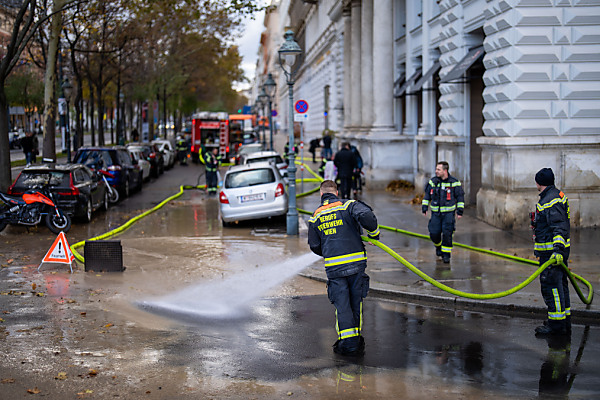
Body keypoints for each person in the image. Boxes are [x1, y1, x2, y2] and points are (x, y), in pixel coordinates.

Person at [308, 180, 380, 356]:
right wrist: (374, 234)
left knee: (342, 305)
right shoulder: (348, 205)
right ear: (336, 192)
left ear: (321, 194)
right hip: (356, 265)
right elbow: (367, 216)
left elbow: (314, 245)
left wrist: (329, 250)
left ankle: (349, 343)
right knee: (356, 301)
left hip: (335, 268)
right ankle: (355, 339)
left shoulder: (315, 216)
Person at [532, 167, 571, 336]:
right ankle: (564, 320)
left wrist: (557, 250)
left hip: (551, 255)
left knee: (551, 287)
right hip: (555, 253)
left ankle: (555, 325)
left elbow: (559, 228)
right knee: (561, 285)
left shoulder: (549, 201)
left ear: (538, 182)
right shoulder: (556, 195)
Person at [421, 161, 465, 263]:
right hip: (436, 214)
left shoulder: (454, 182)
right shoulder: (433, 182)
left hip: (449, 215)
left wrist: (460, 211)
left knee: (447, 233)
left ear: (445, 171)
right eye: (436, 169)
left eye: (438, 169)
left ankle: (446, 255)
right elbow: (427, 195)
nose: (436, 171)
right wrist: (424, 207)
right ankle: (438, 246)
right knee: (434, 233)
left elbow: (460, 197)